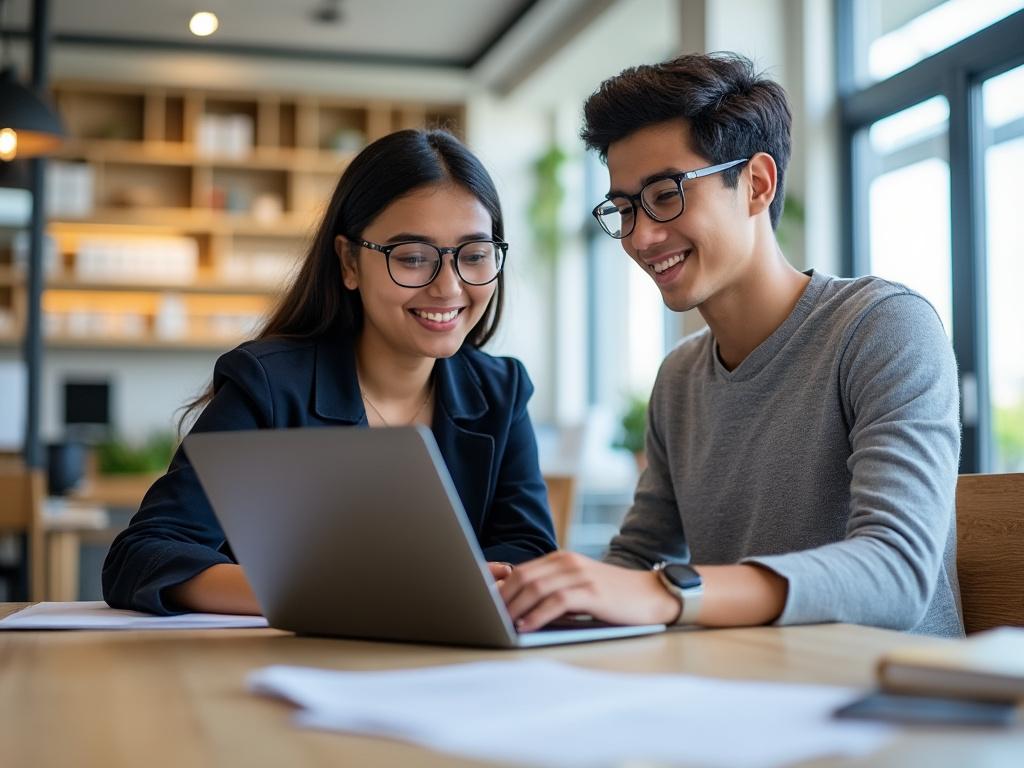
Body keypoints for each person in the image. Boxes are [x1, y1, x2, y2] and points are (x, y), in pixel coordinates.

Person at [499, 52, 962, 637]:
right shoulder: (679, 378)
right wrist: (540, 598)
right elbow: (637, 562)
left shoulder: (882, 328)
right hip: (744, 695)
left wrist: (666, 591)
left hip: (889, 704)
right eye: (623, 209)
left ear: (757, 184)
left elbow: (897, 573)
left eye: (665, 194)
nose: (640, 236)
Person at [103, 129, 557, 616]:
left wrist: (433, 591)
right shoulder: (269, 386)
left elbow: (528, 553)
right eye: (413, 258)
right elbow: (144, 556)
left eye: (474, 255)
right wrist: (342, 591)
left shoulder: (501, 391)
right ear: (349, 262)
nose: (448, 287)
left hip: (445, 669)